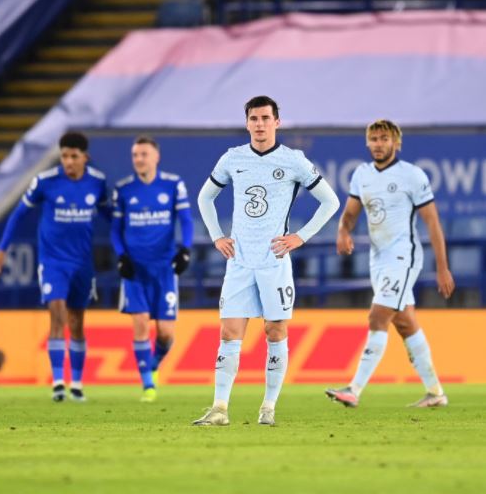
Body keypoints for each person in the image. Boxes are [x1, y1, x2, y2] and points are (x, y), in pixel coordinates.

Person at [193, 95, 339, 426]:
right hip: (240, 260)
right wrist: (217, 235)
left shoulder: (293, 160)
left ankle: (268, 407)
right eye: (254, 119)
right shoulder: (233, 158)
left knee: (275, 331)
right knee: (229, 332)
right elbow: (205, 197)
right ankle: (219, 408)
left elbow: (330, 201)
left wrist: (301, 237)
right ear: (247, 123)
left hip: (274, 261)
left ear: (277, 122)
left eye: (265, 118)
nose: (259, 124)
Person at [326, 120, 454, 408]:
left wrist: (442, 267)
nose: (379, 143)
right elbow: (350, 214)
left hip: (403, 256)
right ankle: (435, 393)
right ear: (367, 142)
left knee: (377, 316)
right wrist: (343, 231)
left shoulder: (412, 175)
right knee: (406, 323)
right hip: (378, 258)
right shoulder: (362, 174)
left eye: (384, 138)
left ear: (396, 143)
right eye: (374, 138)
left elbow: (432, 222)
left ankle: (354, 389)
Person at [0, 132, 108, 402]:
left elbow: (108, 214)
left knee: (77, 322)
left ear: (85, 158)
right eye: (64, 156)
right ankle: (57, 383)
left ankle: (76, 385)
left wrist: (128, 240)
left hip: (82, 263)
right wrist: (1, 250)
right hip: (53, 261)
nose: (68, 161)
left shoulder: (97, 183)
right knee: (57, 313)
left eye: (73, 156)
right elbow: (18, 213)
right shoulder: (45, 181)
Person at [110, 136, 194, 402]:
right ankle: (148, 385)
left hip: (164, 269)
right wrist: (121, 256)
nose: (138, 159)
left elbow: (186, 220)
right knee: (141, 323)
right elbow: (115, 230)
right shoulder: (123, 189)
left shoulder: (172, 185)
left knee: (167, 333)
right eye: (135, 155)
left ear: (156, 157)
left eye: (143, 154)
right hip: (135, 270)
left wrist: (186, 249)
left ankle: (154, 363)